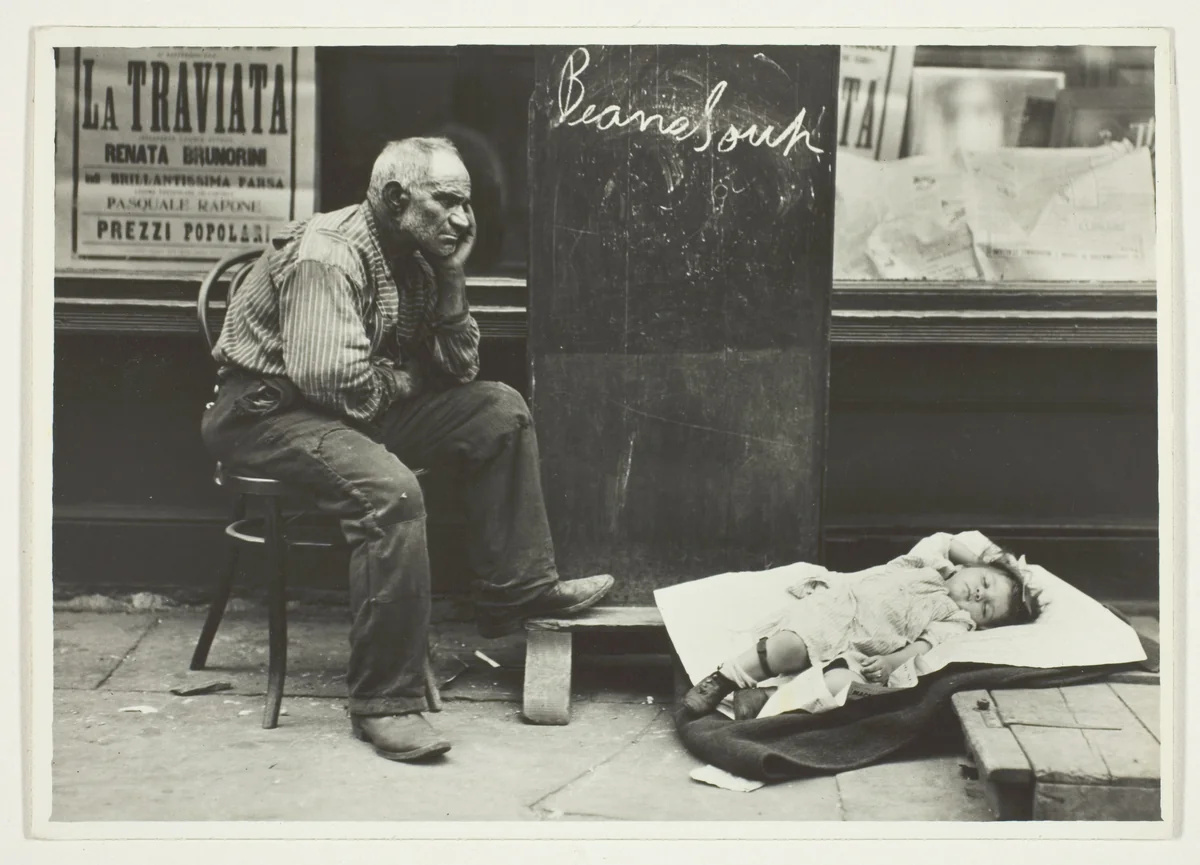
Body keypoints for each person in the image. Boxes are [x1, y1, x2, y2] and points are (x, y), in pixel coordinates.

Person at [201, 137, 615, 762]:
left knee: (497, 411)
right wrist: (407, 379)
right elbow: (334, 384)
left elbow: (458, 369)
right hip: (268, 417)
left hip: (343, 409)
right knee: (390, 492)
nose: (465, 219)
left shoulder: (418, 258)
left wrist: (451, 277)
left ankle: (519, 588)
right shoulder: (330, 254)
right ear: (396, 199)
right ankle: (384, 702)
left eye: (467, 205)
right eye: (447, 202)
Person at [680, 531, 1040, 718]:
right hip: (838, 610)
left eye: (987, 608)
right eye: (985, 583)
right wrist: (992, 559)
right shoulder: (927, 564)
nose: (978, 595)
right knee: (790, 644)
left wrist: (891, 663)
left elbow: (925, 645)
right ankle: (726, 678)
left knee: (843, 686)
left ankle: (766, 699)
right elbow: (945, 540)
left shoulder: (957, 619)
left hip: (867, 648)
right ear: (970, 567)